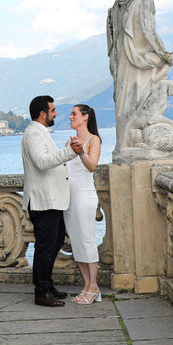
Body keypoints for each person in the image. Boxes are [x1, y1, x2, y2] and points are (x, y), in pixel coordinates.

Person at [107, 0, 173, 161]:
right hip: (138, 62)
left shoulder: (119, 0)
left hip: (121, 61)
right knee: (140, 97)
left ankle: (123, 146)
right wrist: (165, 54)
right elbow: (148, 31)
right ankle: (131, 143)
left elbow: (112, 34)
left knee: (125, 104)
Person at [21, 94, 83, 307]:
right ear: (42, 113)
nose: (56, 113)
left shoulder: (39, 132)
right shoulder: (34, 135)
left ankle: (47, 286)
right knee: (45, 247)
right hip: (43, 201)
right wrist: (69, 152)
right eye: (53, 110)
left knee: (54, 243)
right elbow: (42, 162)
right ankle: (41, 292)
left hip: (50, 200)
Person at [63, 104, 102, 304]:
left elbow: (92, 166)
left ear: (85, 117)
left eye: (74, 114)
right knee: (76, 242)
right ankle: (86, 285)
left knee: (87, 239)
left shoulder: (93, 140)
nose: (70, 117)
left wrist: (79, 152)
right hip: (70, 198)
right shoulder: (68, 142)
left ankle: (94, 286)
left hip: (85, 196)